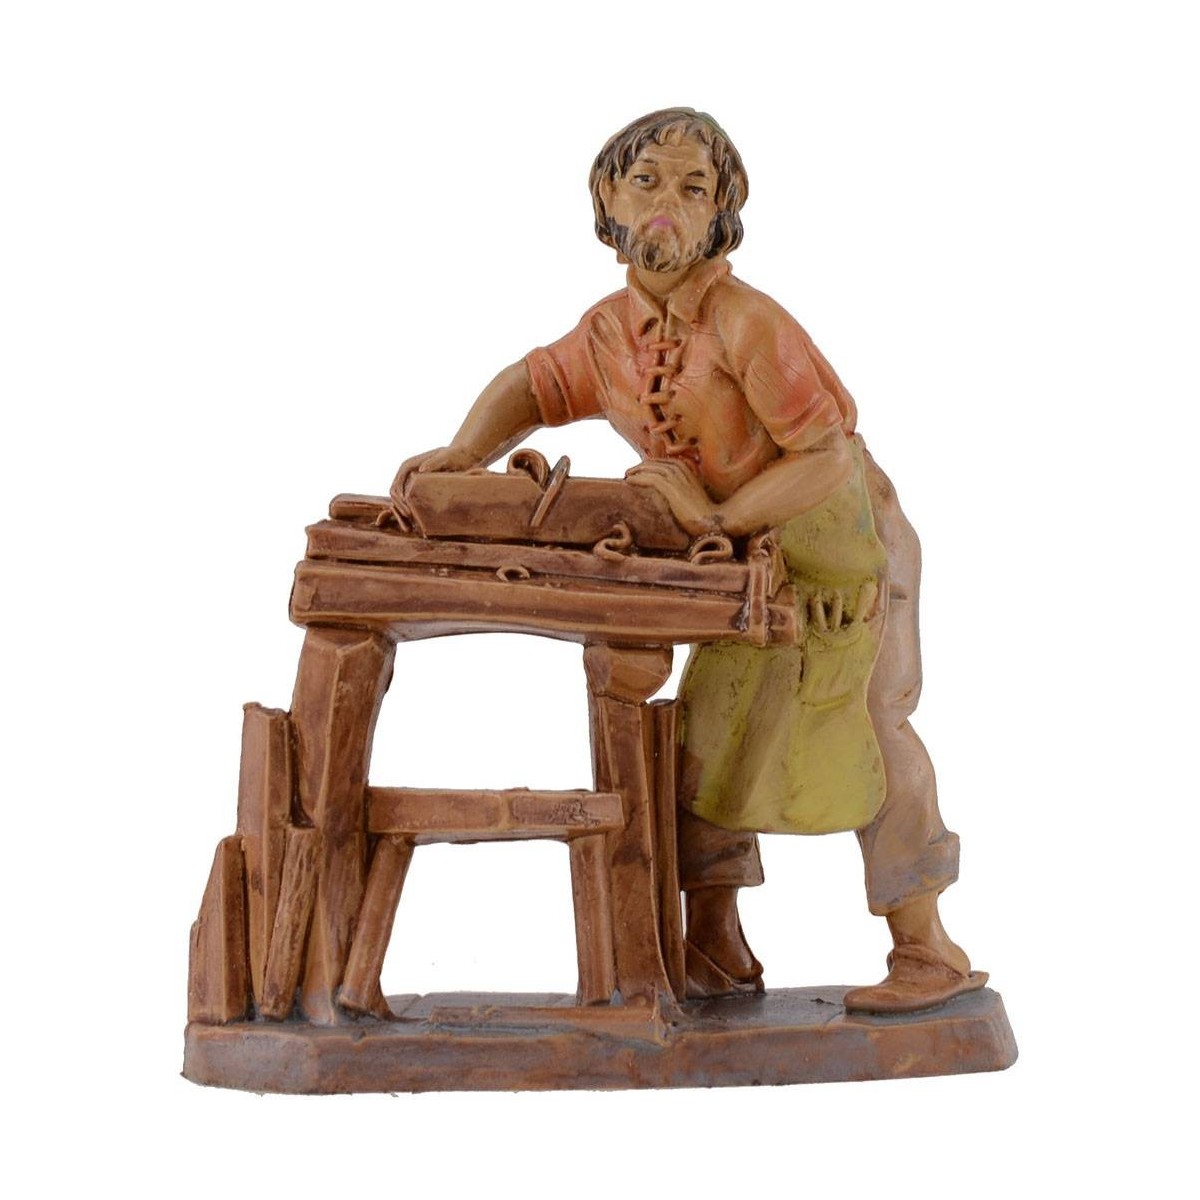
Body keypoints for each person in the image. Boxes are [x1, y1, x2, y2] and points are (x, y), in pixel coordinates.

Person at [391, 108, 986, 1013]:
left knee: (864, 732)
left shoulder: (747, 324)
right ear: (608, 200)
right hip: (742, 561)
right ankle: (713, 946)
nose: (666, 202)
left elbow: (826, 456)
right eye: (646, 182)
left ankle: (928, 949)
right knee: (707, 736)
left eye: (692, 187)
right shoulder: (610, 332)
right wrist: (465, 451)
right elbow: (536, 384)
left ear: (720, 215)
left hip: (840, 550)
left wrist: (715, 513)